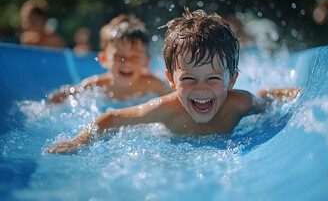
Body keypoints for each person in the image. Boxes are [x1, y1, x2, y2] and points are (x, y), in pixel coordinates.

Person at [46, 8, 300, 154]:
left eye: (212, 78)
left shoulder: (240, 103)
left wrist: (298, 94)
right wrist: (79, 141)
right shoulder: (164, 109)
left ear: (231, 80)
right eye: (189, 78)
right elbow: (112, 118)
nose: (201, 88)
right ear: (170, 79)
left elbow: (266, 99)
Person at [49, 14, 171, 103]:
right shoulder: (97, 85)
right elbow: (70, 93)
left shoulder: (153, 84)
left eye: (135, 57)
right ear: (103, 59)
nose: (126, 62)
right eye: (119, 56)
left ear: (147, 62)